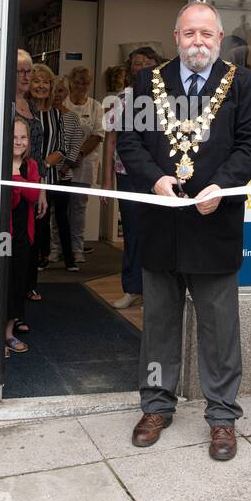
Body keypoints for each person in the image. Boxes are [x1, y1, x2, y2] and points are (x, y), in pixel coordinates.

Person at [118, 2, 251, 461]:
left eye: (206, 34)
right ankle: (156, 405)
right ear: (176, 36)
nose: (197, 42)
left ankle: (222, 416)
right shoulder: (147, 83)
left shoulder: (242, 84)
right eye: (189, 34)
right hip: (161, 224)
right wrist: (156, 179)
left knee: (219, 326)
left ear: (219, 38)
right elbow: (128, 140)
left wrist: (222, 185)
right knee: (159, 321)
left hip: (215, 222)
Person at [101, 47, 160, 309]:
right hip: (128, 176)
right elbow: (110, 140)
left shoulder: (168, 97)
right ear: (130, 68)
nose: (143, 67)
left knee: (160, 232)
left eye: (149, 62)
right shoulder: (122, 99)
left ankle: (157, 291)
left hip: (161, 177)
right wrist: (106, 182)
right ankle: (132, 287)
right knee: (133, 232)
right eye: (138, 63)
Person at [29, 64, 82, 272]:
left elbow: (62, 147)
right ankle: (35, 258)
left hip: (50, 174)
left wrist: (42, 165)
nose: (41, 86)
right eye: (36, 81)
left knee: (52, 217)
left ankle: (50, 257)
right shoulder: (21, 109)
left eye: (46, 82)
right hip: (25, 176)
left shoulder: (56, 115)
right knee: (33, 221)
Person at [13, 49, 47, 300]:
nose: (26, 77)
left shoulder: (33, 105)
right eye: (21, 71)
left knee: (33, 237)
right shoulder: (4, 104)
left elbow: (39, 148)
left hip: (34, 176)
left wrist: (42, 188)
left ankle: (27, 289)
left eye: (29, 71)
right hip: (13, 177)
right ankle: (13, 304)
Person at [64, 66, 105, 264]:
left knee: (78, 207)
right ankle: (57, 248)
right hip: (61, 162)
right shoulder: (62, 102)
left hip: (85, 163)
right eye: (77, 82)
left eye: (85, 83)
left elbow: (98, 134)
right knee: (59, 207)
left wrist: (78, 154)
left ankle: (77, 248)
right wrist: (67, 157)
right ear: (70, 81)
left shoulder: (96, 106)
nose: (81, 86)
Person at [5, 117, 39, 355]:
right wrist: (20, 183)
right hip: (1, 234)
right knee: (2, 283)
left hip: (22, 235)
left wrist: (15, 178)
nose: (19, 141)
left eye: (23, 137)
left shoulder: (32, 166)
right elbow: (12, 199)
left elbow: (33, 195)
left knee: (18, 283)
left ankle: (8, 334)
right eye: (15, 137)